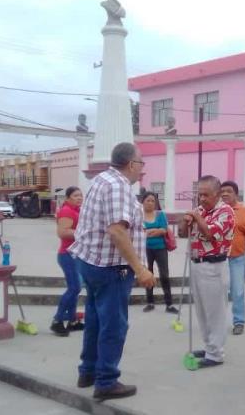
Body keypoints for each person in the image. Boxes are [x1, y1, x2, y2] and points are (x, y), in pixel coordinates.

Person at [68, 142, 155, 401]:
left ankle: (88, 371)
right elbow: (117, 231)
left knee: (95, 319)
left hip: (93, 263)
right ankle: (106, 380)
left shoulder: (101, 179)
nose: (142, 170)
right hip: (111, 268)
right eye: (141, 164)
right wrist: (140, 269)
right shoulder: (118, 186)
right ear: (131, 164)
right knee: (114, 325)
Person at [179, 175, 235, 368]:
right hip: (197, 264)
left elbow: (210, 233)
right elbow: (181, 233)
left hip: (214, 266)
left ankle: (216, 354)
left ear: (217, 194)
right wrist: (185, 220)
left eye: (206, 195)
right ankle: (209, 346)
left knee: (215, 312)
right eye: (199, 194)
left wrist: (196, 217)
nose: (201, 199)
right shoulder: (199, 210)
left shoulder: (225, 211)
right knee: (202, 310)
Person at [220, 180, 245, 336]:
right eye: (222, 191)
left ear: (236, 194)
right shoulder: (216, 211)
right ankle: (217, 322)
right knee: (219, 292)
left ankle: (238, 322)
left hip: (237, 259)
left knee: (237, 292)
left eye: (228, 191)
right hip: (218, 259)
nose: (224, 194)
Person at [50, 186, 85, 337]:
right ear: (68, 198)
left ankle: (72, 321)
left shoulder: (77, 210)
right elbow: (62, 232)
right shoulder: (66, 210)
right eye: (76, 195)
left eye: (80, 195)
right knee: (74, 288)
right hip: (67, 255)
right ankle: (57, 321)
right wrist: (84, 234)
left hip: (76, 254)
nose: (79, 198)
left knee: (76, 288)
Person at [141, 191, 178, 314]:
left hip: (160, 248)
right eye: (148, 200)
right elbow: (140, 232)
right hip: (145, 249)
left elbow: (163, 230)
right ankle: (150, 302)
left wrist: (149, 231)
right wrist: (154, 230)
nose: (151, 203)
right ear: (143, 202)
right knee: (148, 274)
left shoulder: (160, 214)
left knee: (164, 275)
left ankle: (169, 304)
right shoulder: (139, 215)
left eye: (153, 201)